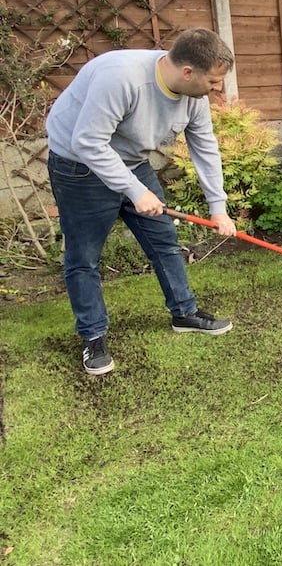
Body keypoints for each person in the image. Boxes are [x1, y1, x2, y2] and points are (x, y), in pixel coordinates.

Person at [46, 28, 237, 376]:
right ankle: (93, 336)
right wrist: (135, 192)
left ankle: (184, 312)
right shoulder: (121, 79)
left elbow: (204, 147)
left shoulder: (194, 97)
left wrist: (218, 206)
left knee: (163, 240)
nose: (218, 89)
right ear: (188, 72)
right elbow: (88, 142)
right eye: (214, 81)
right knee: (84, 256)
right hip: (80, 166)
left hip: (132, 162)